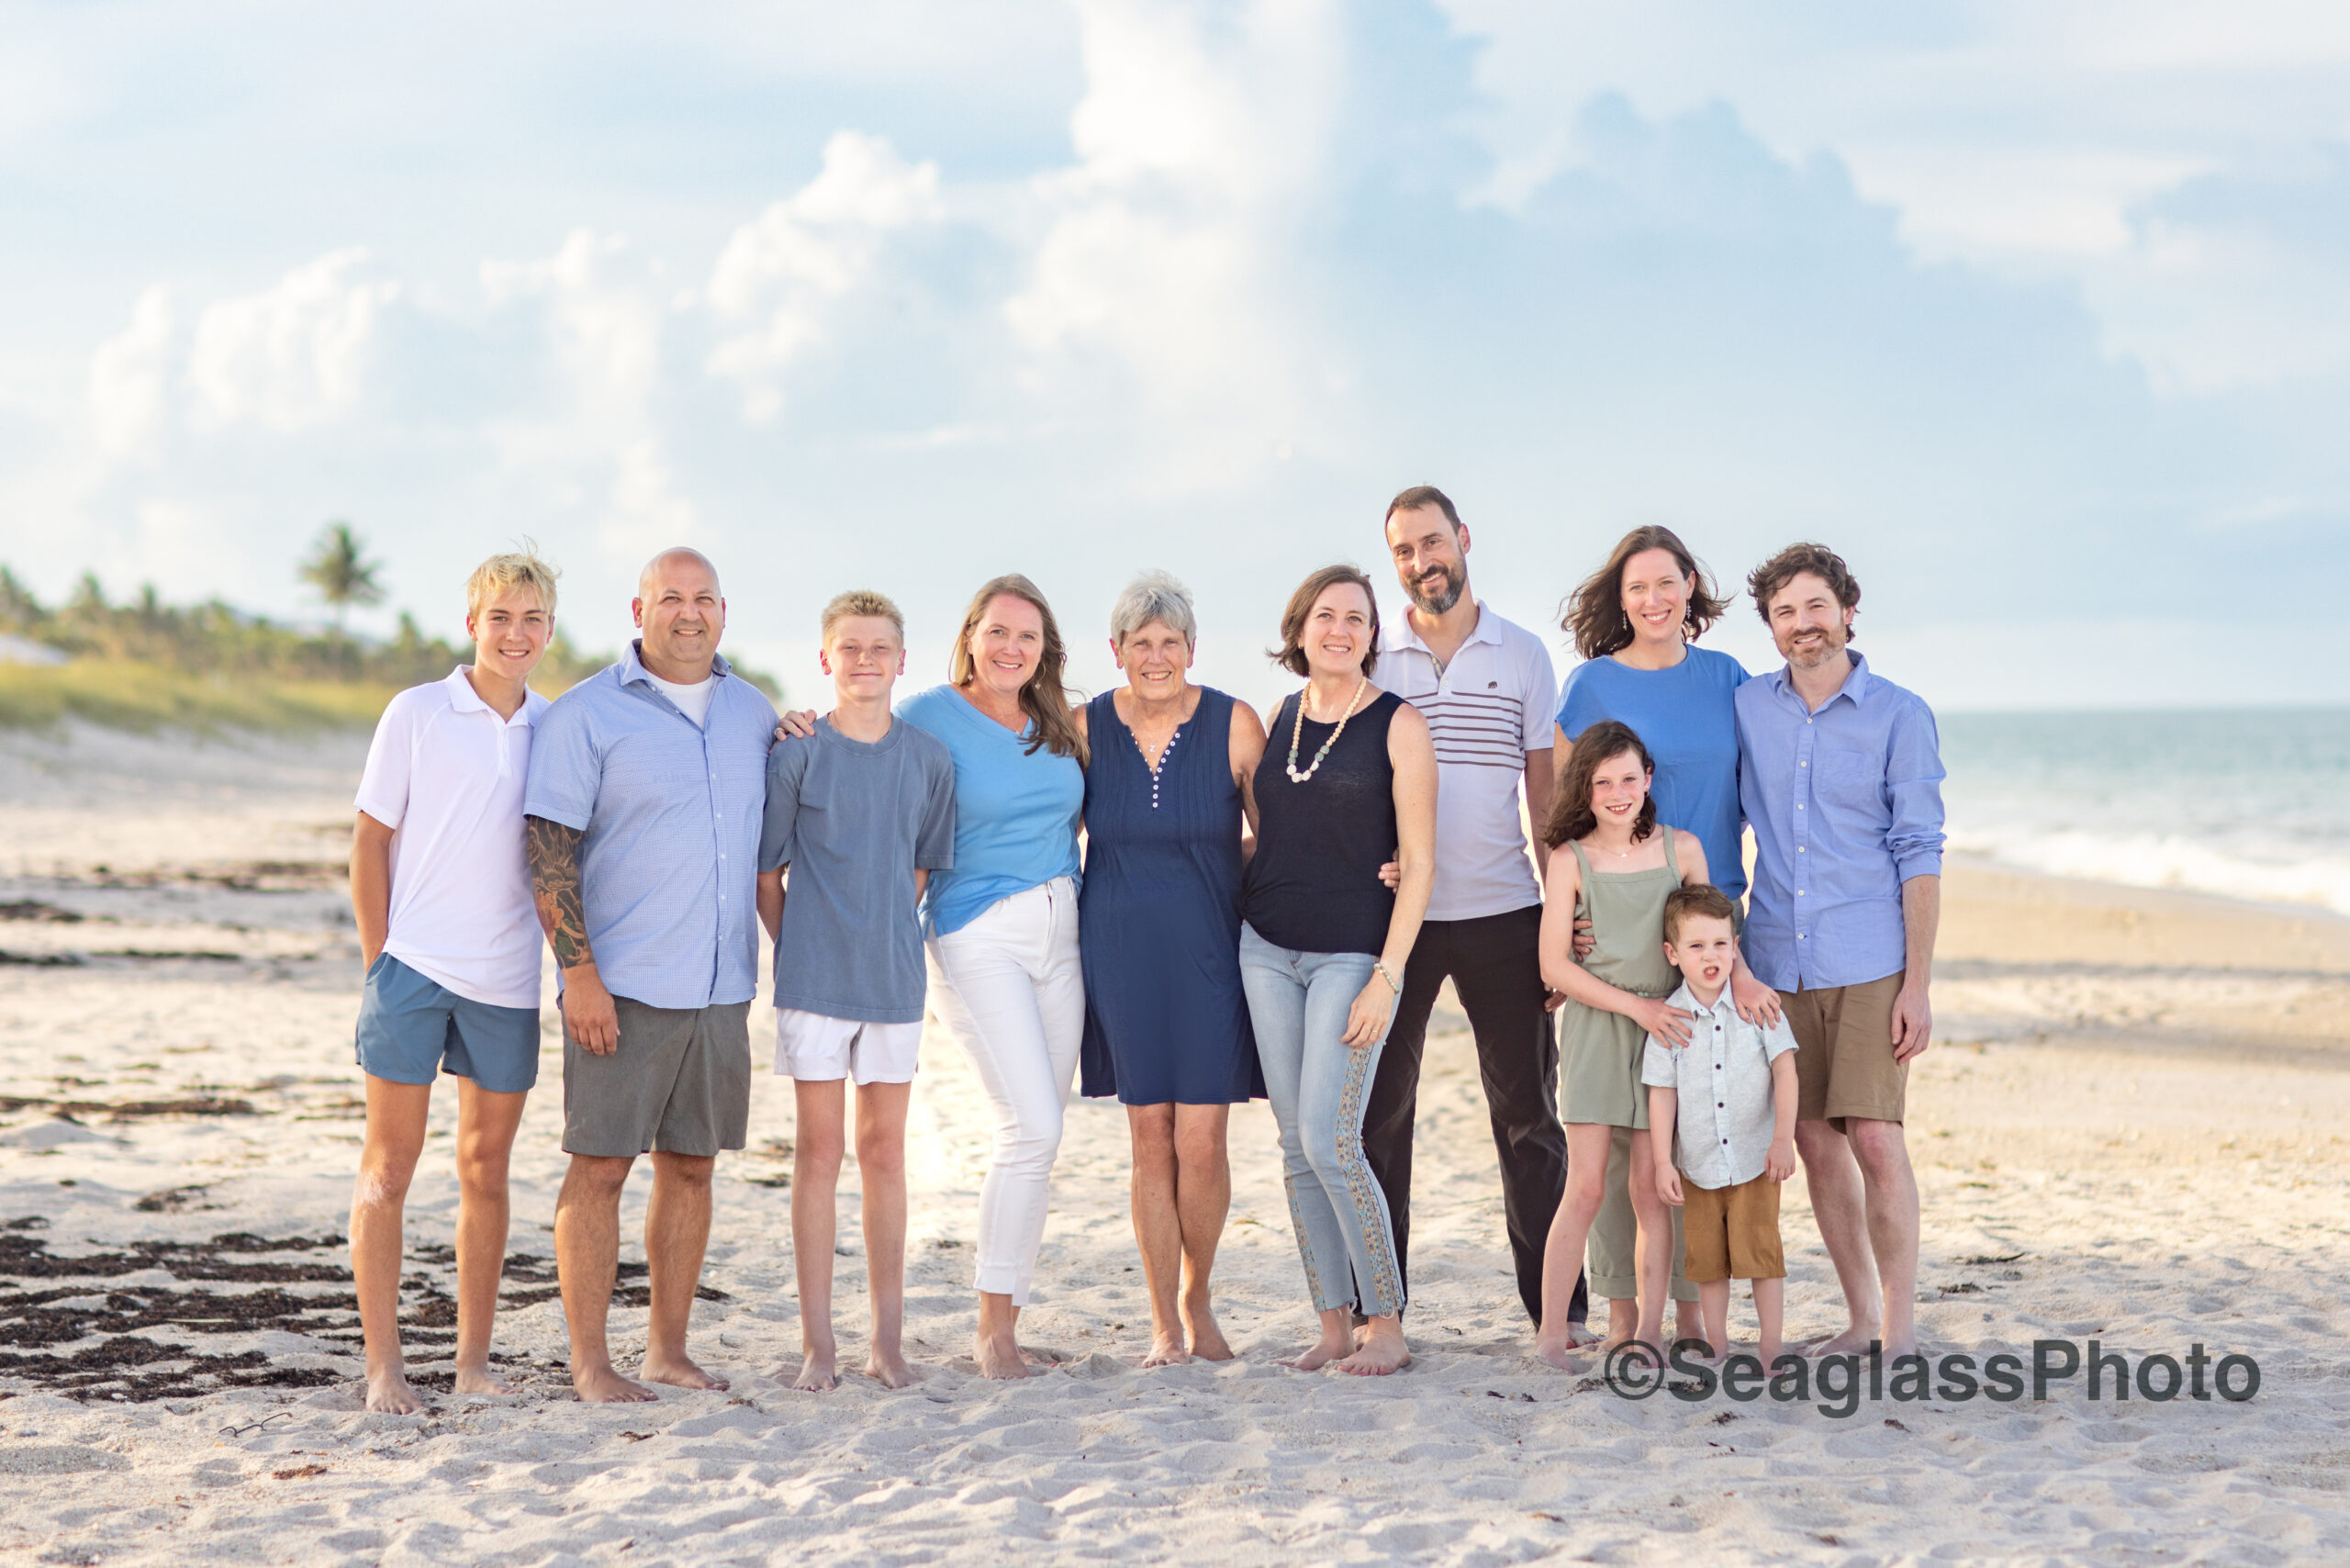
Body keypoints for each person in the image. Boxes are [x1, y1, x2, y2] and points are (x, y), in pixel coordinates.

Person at [522, 547, 778, 1403]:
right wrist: (578, 975)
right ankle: (592, 1364)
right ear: (640, 613)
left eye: (704, 597)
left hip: (720, 985)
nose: (689, 612)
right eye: (671, 598)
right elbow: (548, 848)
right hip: (621, 988)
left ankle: (668, 1350)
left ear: (724, 610)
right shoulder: (586, 716)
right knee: (599, 1168)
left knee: (693, 1166)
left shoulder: (753, 713)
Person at [1552, 525, 1784, 1342]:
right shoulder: (1589, 685)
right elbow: (1559, 808)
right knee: (1621, 1154)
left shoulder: (1730, 680)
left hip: (1712, 923)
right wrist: (1570, 910)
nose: (1653, 600)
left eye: (1666, 583)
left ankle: (1697, 1311)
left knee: (1705, 1123)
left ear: (1692, 586)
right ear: (1620, 601)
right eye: (1636, 589)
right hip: (1617, 921)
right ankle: (1625, 1317)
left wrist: (1743, 952)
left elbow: (1770, 778)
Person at [1362, 486, 1578, 1338]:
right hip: (1399, 921)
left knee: (1530, 1120)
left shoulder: (1522, 653)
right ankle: (1383, 1309)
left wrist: (1561, 925)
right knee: (1380, 1118)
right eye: (1405, 552)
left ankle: (1555, 1311)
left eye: (1432, 542)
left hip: (1506, 911)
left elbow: (1545, 797)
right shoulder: (1376, 659)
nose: (1422, 562)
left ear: (1463, 539)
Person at [347, 549, 558, 1414]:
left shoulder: (556, 723)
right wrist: (379, 963)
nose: (516, 633)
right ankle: (383, 1367)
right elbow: (368, 842)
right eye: (500, 617)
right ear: (473, 621)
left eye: (533, 619)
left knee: (486, 1170)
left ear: (550, 630)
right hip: (415, 969)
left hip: (508, 978)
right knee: (388, 1170)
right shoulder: (418, 712)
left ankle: (472, 1363)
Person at [1737, 543, 1944, 1359]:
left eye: (1815, 606)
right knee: (1815, 1140)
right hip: (1777, 957)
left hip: (1869, 959)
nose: (1802, 625)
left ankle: (1899, 1330)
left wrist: (1917, 986)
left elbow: (1920, 850)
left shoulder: (1901, 713)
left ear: (1848, 610)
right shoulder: (1750, 706)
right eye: (1784, 612)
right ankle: (1858, 1318)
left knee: (1877, 1139)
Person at [755, 590, 956, 1392]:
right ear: (826, 658)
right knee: (819, 1153)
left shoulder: (928, 760)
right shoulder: (796, 755)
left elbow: (918, 870)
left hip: (894, 982)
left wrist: (874, 937)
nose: (865, 661)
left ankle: (887, 1342)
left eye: (880, 649)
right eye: (850, 648)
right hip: (812, 983)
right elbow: (767, 873)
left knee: (883, 1154)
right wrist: (801, 947)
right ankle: (817, 1347)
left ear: (901, 661)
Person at [1240, 564, 1438, 1377]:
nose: (1340, 630)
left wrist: (1388, 974)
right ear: (1300, 629)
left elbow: (1420, 864)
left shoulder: (1399, 724)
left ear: (1371, 636)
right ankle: (1330, 1323)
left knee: (1333, 1138)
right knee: (1294, 1145)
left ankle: (1383, 1320)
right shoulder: (1276, 719)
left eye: (1357, 619)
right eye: (1326, 615)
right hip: (1264, 948)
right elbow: (1267, 836)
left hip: (1353, 955)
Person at [1075, 570, 1268, 1367]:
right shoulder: (1084, 728)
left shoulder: (1235, 724)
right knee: (1148, 1138)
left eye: (1170, 643)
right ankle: (1162, 1322)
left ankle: (1199, 1295)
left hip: (1208, 955)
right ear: (1116, 651)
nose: (1156, 657)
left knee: (1203, 1139)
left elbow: (1280, 839)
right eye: (1140, 643)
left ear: (1192, 647)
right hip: (1118, 952)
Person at [898, 575, 1088, 1381]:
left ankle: (1008, 1320)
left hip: (1064, 929)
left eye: (1029, 637)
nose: (1012, 648)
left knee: (1042, 1137)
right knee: (1030, 1127)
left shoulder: (1055, 724)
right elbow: (859, 755)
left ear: (1045, 651)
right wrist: (797, 727)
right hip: (976, 931)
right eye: (998, 631)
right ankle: (990, 1334)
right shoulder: (928, 716)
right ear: (972, 633)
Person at [1531, 720, 1729, 1365]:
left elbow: (1716, 941)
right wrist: (1632, 1007)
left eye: (1628, 779)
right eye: (1602, 782)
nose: (1618, 793)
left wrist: (1733, 992)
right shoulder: (1569, 860)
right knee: (1585, 1187)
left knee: (1651, 1188)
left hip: (1669, 1033)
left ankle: (1649, 1331)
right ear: (1584, 791)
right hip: (1597, 1027)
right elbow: (1554, 966)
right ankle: (1551, 1333)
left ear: (1648, 779)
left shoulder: (1685, 851)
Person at [1643, 883, 1798, 1367]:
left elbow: (1786, 1071)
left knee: (1762, 1255)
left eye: (1720, 944)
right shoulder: (1670, 1020)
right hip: (1699, 1164)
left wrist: (1783, 1140)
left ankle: (1772, 1348)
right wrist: (1663, 1161)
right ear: (1673, 953)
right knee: (1708, 1263)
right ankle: (1719, 1344)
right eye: (1696, 946)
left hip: (1756, 1158)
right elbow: (1661, 1092)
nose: (1710, 956)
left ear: (1736, 947)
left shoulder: (1759, 1008)